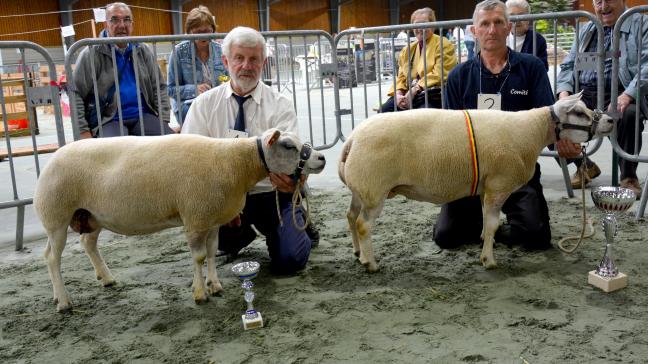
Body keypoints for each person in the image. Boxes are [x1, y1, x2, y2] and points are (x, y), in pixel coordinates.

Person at [433, 0, 576, 251]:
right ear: (473, 31)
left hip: (517, 172)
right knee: (446, 237)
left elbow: (549, 119)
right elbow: (450, 135)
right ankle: (483, 218)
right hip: (470, 175)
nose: (492, 30)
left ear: (509, 27)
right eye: (485, 24)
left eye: (498, 22)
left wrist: (567, 146)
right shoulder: (458, 76)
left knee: (535, 237)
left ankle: (493, 227)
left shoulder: (532, 68)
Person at [181, 26, 315, 273]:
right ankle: (239, 236)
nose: (246, 65)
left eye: (254, 59)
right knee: (219, 240)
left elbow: (290, 160)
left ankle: (298, 222)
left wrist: (293, 180)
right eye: (239, 58)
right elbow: (190, 163)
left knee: (290, 261)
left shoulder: (281, 106)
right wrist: (222, 202)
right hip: (222, 196)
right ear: (225, 61)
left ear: (263, 62)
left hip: (271, 194)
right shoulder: (202, 106)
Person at [556, 0, 648, 195]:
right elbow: (568, 65)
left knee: (628, 115)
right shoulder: (587, 28)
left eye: (609, 0)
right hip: (586, 93)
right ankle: (584, 165)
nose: (603, 6)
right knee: (551, 117)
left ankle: (628, 177)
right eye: (598, 1)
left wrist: (627, 95)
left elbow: (647, 66)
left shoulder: (641, 23)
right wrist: (564, 94)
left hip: (620, 92)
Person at [72, 2, 172, 139]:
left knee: (170, 143)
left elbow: (159, 87)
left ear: (132, 24)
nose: (122, 25)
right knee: (114, 151)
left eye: (126, 19)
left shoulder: (143, 50)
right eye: (115, 20)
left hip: (143, 116)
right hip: (109, 120)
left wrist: (163, 119)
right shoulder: (91, 53)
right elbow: (75, 93)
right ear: (105, 24)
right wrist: (83, 131)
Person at [380, 7, 457, 112]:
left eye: (424, 24)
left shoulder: (443, 44)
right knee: (384, 110)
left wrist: (415, 90)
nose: (420, 28)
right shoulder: (407, 49)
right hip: (409, 94)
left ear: (433, 25)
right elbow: (401, 77)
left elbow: (439, 73)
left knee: (421, 115)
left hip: (433, 95)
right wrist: (398, 94)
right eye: (416, 24)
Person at [167, 6, 228, 125]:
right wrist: (195, 89)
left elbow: (229, 80)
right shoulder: (178, 52)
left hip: (216, 100)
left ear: (213, 30)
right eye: (198, 32)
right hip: (188, 103)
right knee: (196, 115)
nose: (203, 36)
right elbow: (170, 89)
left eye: (207, 31)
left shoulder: (222, 51)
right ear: (189, 32)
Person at [505, 0, 548, 71]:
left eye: (521, 15)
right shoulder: (500, 36)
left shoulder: (538, 39)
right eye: (512, 16)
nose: (517, 20)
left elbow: (543, 67)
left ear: (528, 19)